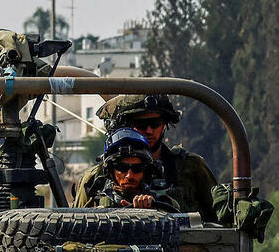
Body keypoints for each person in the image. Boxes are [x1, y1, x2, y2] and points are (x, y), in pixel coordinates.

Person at [74, 94, 216, 219]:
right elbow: (75, 226)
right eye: (141, 124)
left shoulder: (190, 167)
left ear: (164, 125)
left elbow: (221, 224)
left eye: (155, 124)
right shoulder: (96, 179)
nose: (149, 130)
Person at [80, 128, 180, 210]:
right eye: (122, 168)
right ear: (111, 171)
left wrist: (152, 210)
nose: (129, 175)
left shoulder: (160, 199)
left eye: (137, 168)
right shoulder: (94, 198)